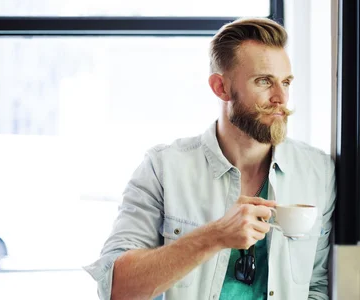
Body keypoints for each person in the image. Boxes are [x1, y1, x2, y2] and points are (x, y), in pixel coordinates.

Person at [84, 18, 336, 300]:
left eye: (286, 82)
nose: (281, 97)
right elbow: (116, 289)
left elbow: (318, 286)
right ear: (220, 87)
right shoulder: (162, 169)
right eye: (264, 81)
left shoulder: (319, 172)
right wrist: (213, 237)